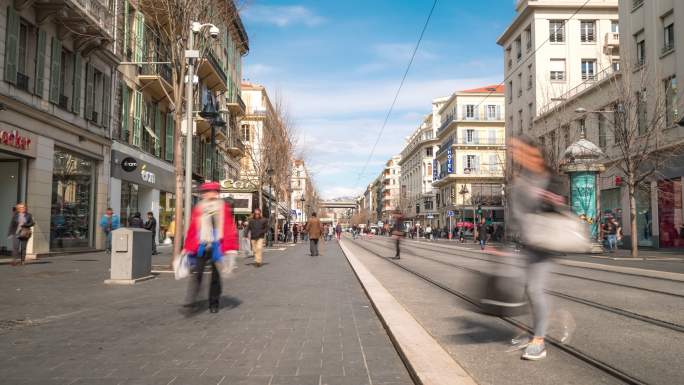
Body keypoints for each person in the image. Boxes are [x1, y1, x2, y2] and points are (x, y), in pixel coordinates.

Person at [509, 135, 565, 360]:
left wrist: (548, 198)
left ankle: (539, 341)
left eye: (517, 149)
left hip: (545, 241)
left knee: (534, 289)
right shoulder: (522, 177)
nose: (513, 153)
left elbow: (558, 204)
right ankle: (537, 326)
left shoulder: (548, 176)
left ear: (531, 152)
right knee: (527, 290)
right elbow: (516, 213)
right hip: (527, 241)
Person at [182, 181, 238, 313]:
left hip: (218, 245)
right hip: (202, 244)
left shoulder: (222, 207)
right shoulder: (199, 208)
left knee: (215, 276)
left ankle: (214, 303)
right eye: (206, 192)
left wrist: (231, 247)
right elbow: (193, 228)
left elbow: (229, 228)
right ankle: (192, 299)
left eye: (212, 191)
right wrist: (187, 246)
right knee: (197, 273)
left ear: (216, 193)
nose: (209, 194)